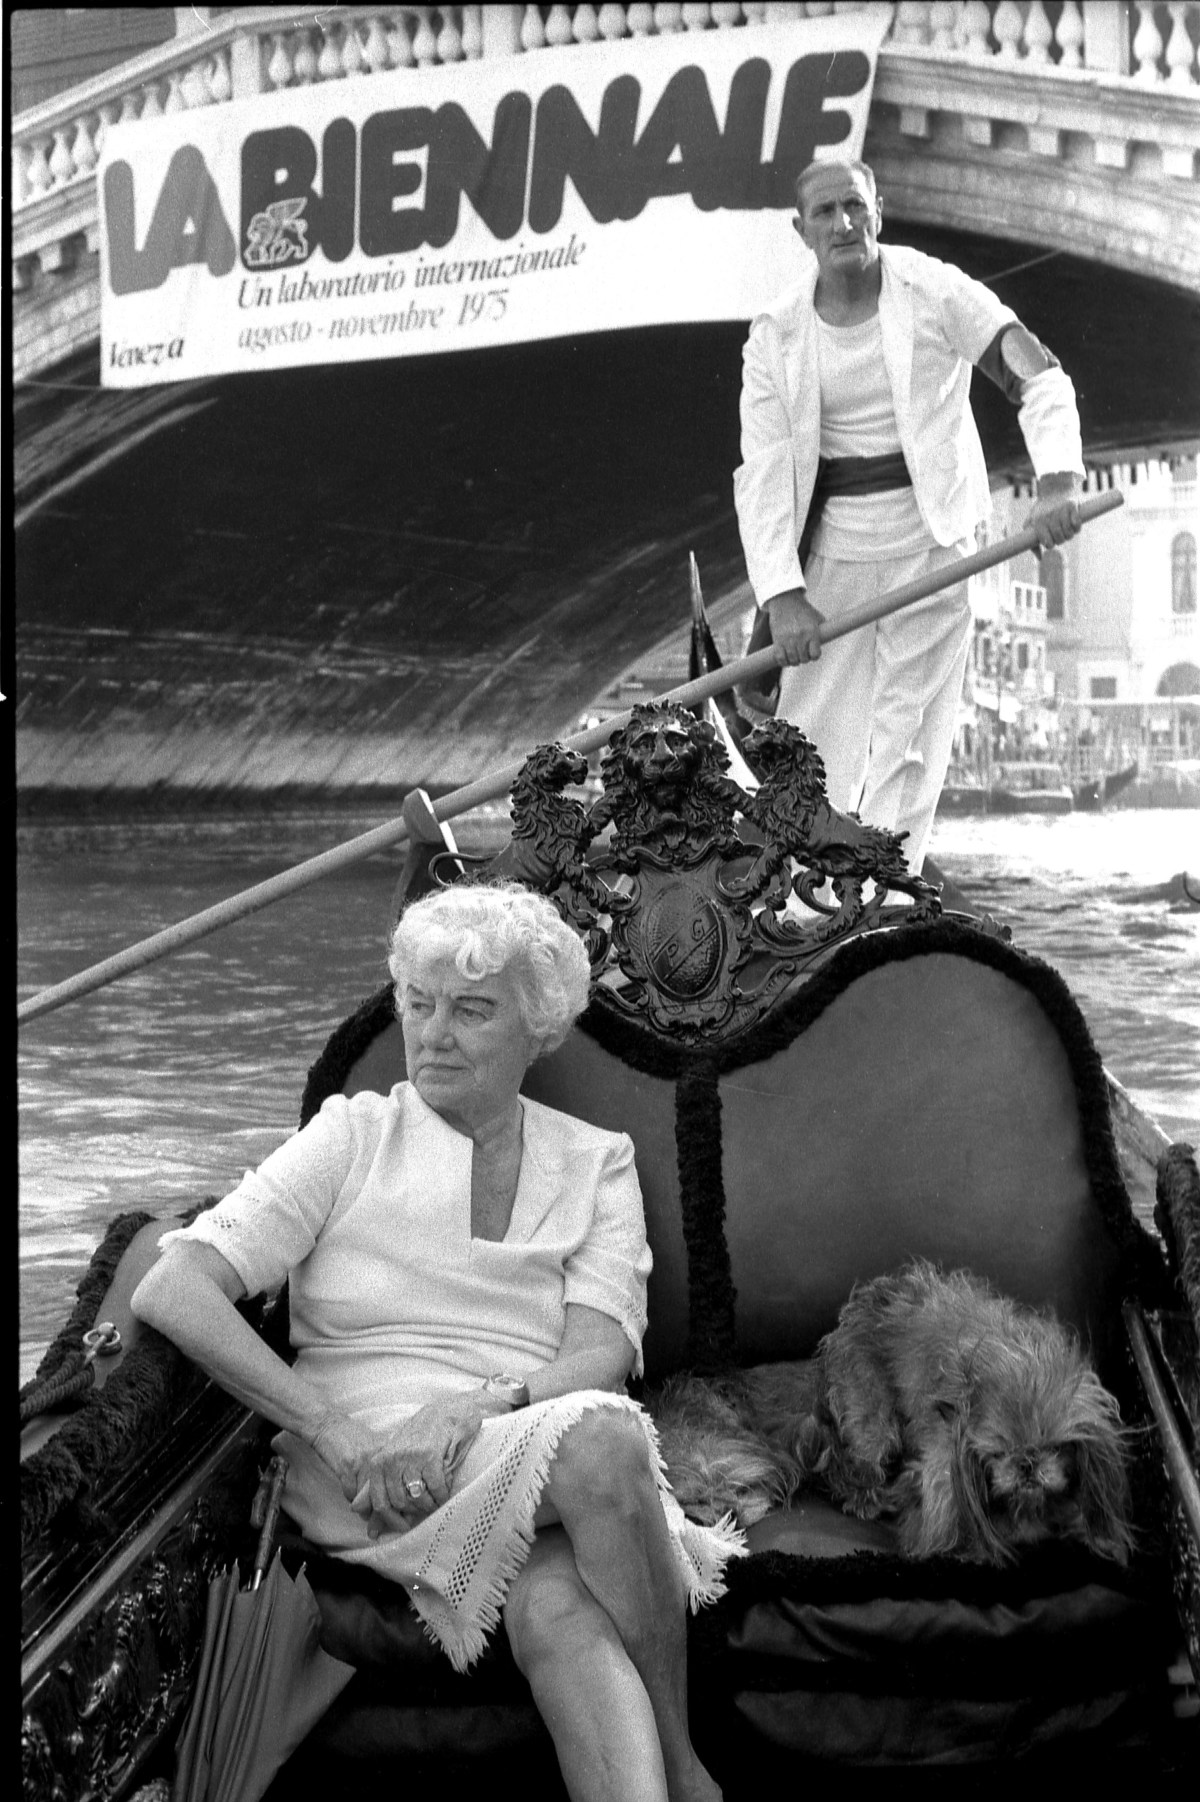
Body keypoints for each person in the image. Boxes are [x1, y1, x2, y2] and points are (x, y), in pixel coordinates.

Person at [132, 882, 740, 1802]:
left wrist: (477, 1404)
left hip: (516, 1441)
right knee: (608, 1441)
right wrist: (332, 1428)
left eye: (470, 1009)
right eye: (417, 1004)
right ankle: (692, 1776)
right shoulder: (351, 1136)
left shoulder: (597, 1159)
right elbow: (176, 1286)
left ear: (539, 1028)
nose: (432, 1033)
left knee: (557, 1606)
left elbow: (598, 1356)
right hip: (369, 1468)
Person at [734, 158, 1085, 875]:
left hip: (935, 545)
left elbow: (1034, 371)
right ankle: (807, 901)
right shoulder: (773, 335)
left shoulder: (935, 288)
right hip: (831, 556)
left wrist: (1056, 482)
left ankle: (885, 893)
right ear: (800, 231)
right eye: (826, 212)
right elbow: (764, 473)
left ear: (879, 212)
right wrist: (781, 594)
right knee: (813, 740)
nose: (844, 224)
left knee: (911, 741)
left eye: (856, 207)